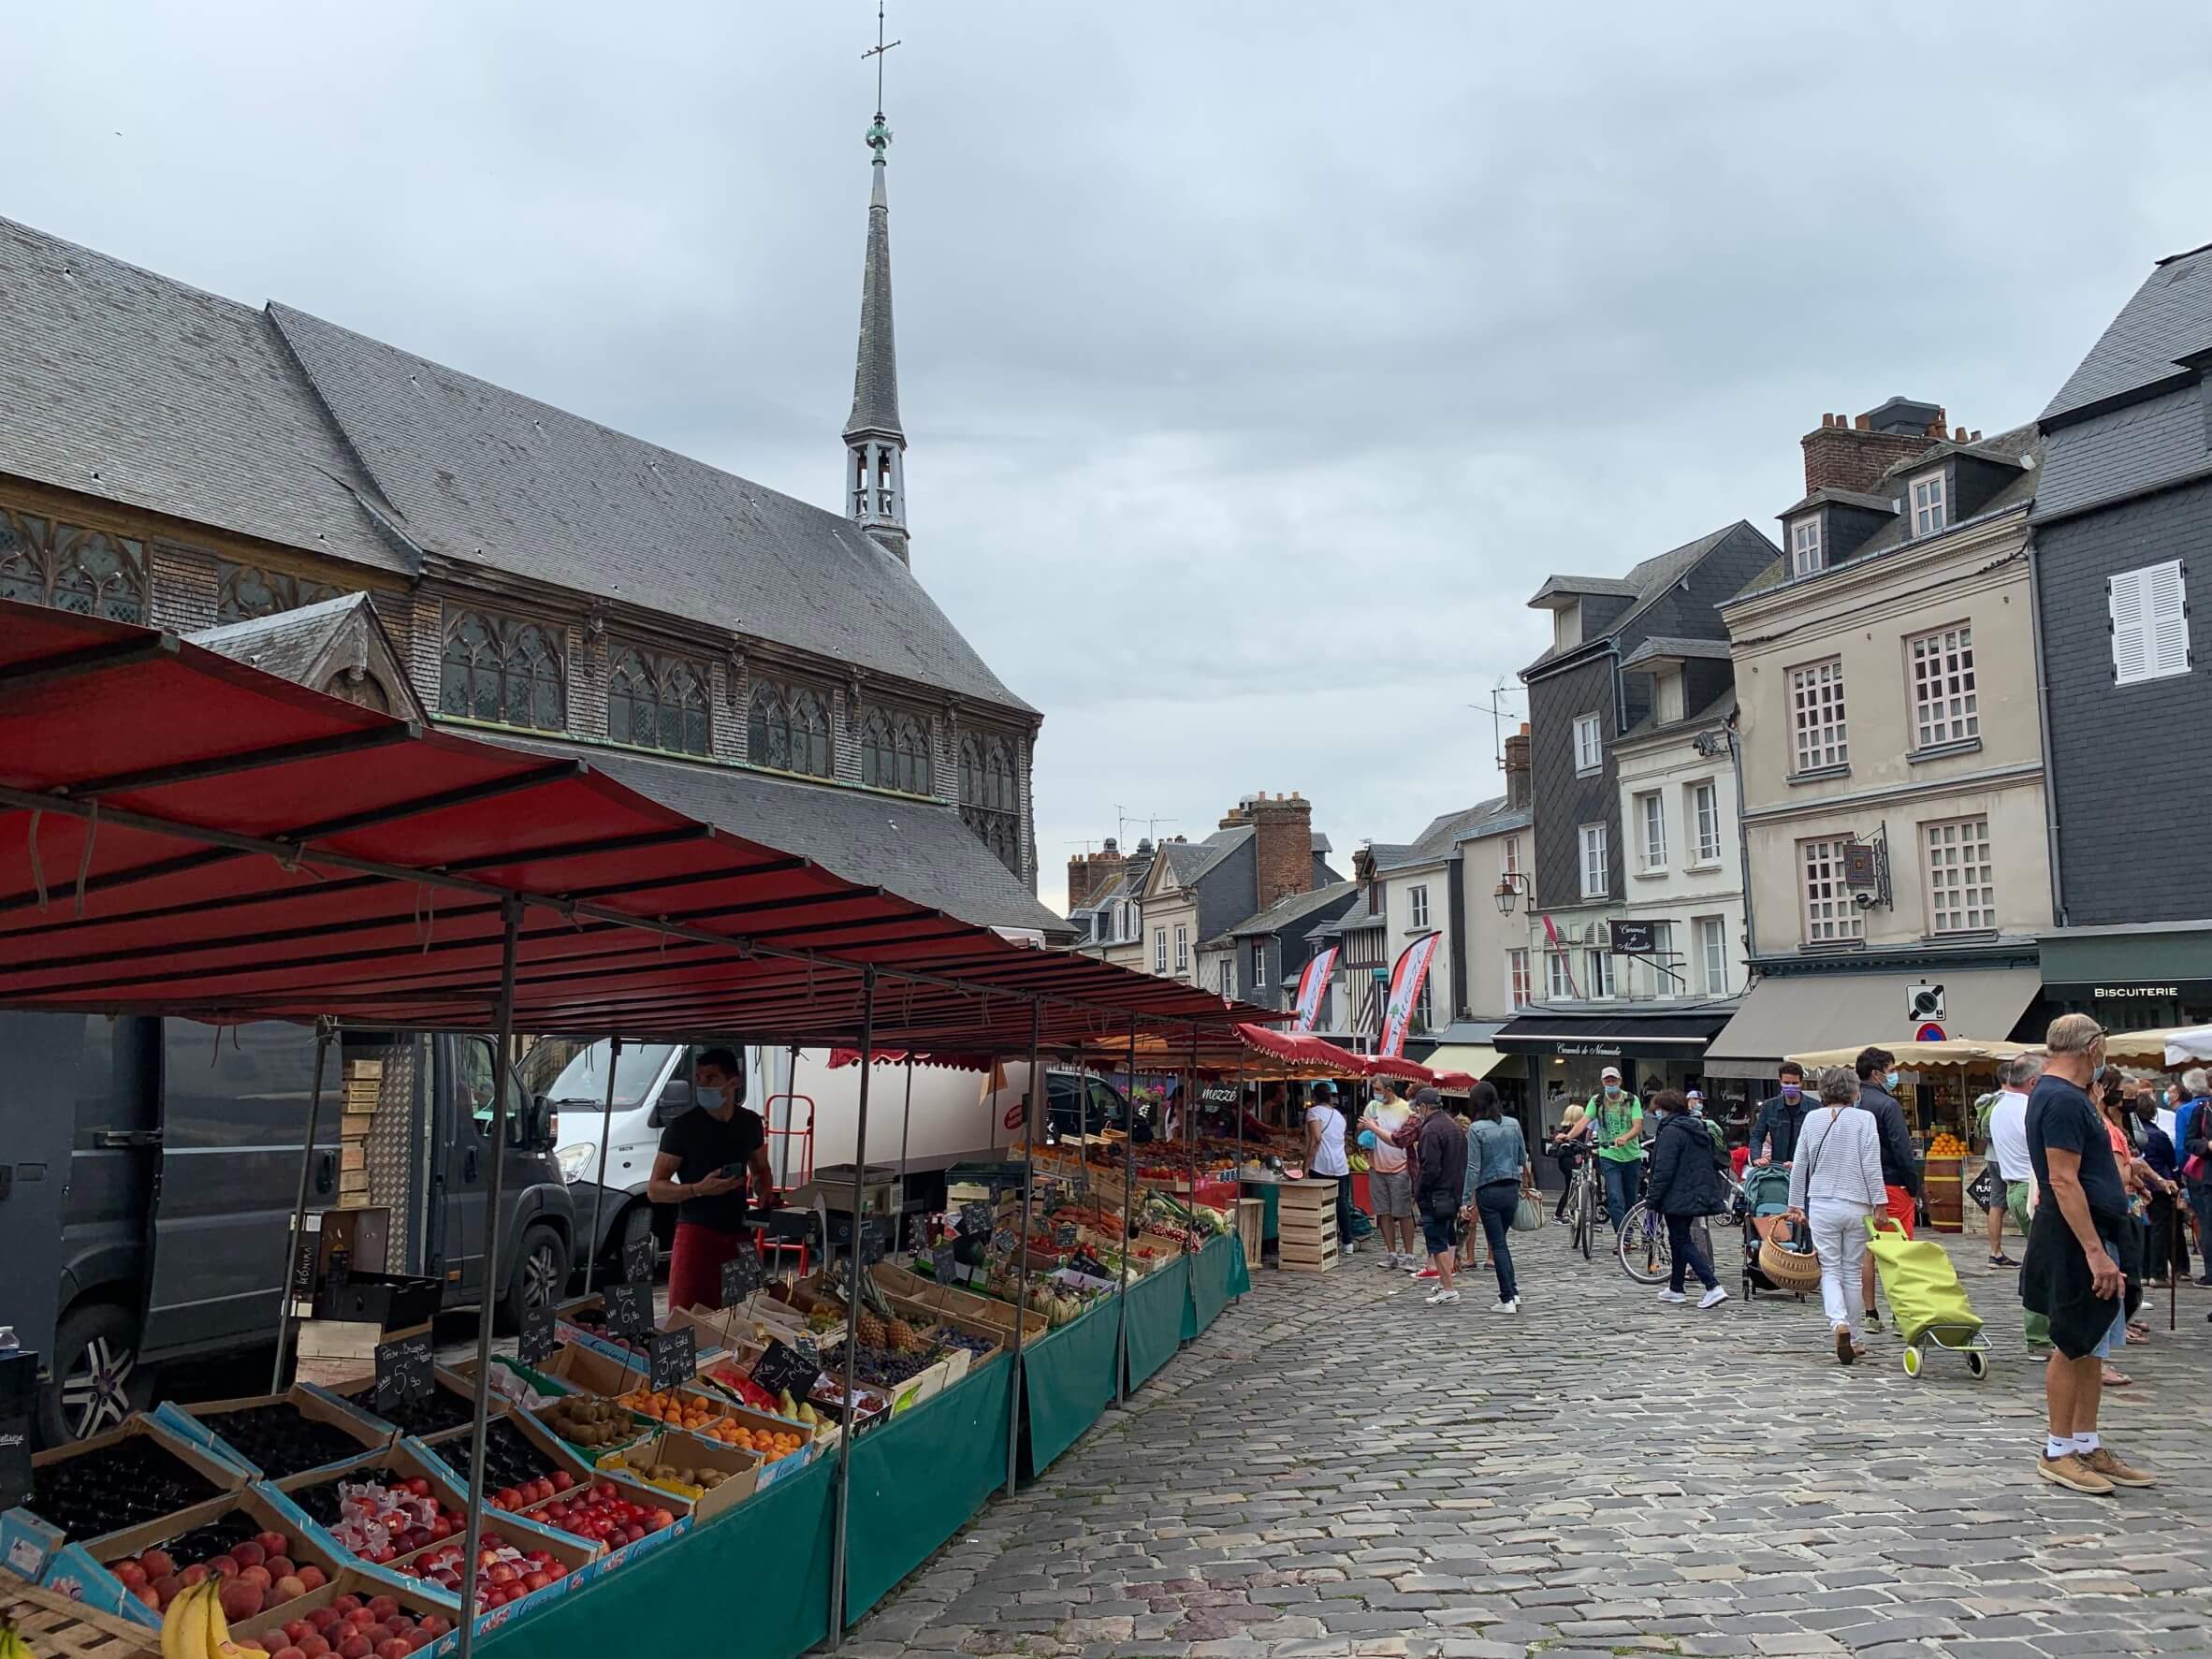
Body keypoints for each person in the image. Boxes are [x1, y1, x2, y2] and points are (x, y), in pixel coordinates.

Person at [2020, 1014, 2154, 1494]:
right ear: (2093, 1046)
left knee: (2093, 1343)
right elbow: (2062, 1178)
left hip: (2096, 1230)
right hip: (2078, 1237)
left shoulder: (2069, 1096)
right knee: (2073, 1339)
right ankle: (2058, 1450)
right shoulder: (2059, 1098)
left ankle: (2084, 1441)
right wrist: (2096, 1253)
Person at [647, 1047, 776, 1311]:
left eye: (711, 1078)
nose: (702, 1085)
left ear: (734, 1082)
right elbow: (655, 1189)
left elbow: (761, 1167)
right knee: (687, 1314)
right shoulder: (682, 1128)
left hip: (739, 1232)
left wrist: (765, 1191)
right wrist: (697, 1189)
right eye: (699, 1078)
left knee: (746, 1312)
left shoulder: (749, 1123)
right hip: (696, 1235)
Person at [1782, 1067, 1885, 1364]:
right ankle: (1853, 1335)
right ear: (1855, 1090)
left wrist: (1795, 1204)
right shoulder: (1865, 1119)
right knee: (1852, 1272)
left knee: (1830, 1269)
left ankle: (1837, 1322)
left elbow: (1800, 1162)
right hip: (1857, 1203)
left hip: (1822, 1203)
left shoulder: (1812, 1119)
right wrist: (1880, 1203)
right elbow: (1871, 1164)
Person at [1852, 1047, 1923, 1330]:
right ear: (1876, 1073)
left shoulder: (1853, 1103)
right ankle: (1899, 1310)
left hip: (1858, 1184)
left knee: (1868, 1249)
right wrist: (1914, 1185)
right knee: (1897, 1249)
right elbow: (1902, 1148)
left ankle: (1870, 1313)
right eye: (1891, 1070)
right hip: (1890, 1181)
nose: (1894, 1075)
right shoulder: (1886, 1105)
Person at [1644, 1088, 1729, 1311]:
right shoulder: (1695, 1127)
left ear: (1666, 1109)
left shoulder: (1671, 1132)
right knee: (1677, 1238)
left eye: (1658, 1110)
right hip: (1694, 1191)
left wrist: (1652, 1199)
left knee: (1682, 1240)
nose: (1656, 1114)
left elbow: (1663, 1169)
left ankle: (1712, 1285)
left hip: (1677, 1193)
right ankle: (1676, 1288)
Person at [1460, 1084, 1533, 1313]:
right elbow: (1523, 1157)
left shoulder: (1476, 1129)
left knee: (1498, 1244)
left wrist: (1465, 1199)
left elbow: (1473, 1167)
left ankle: (1507, 1297)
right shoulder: (1513, 1124)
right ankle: (1513, 1291)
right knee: (1502, 1244)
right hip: (1511, 1187)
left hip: (1488, 1189)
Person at [1409, 1086, 1468, 1305]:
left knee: (1437, 1241)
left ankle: (1449, 1289)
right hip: (1453, 1191)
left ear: (1424, 1107)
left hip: (1436, 1194)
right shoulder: (1454, 1126)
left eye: (1418, 1109)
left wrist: (1420, 1190)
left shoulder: (1431, 1130)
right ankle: (1445, 1283)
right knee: (1448, 1237)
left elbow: (1429, 1168)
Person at [2132, 1087, 2190, 1287]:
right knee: (2159, 1229)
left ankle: (2143, 1270)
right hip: (2159, 1187)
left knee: (2143, 1229)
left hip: (2138, 1186)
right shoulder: (2157, 1135)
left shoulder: (2131, 1134)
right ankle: (2157, 1273)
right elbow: (2172, 1161)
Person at [1986, 1055, 2037, 1272]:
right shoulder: (2029, 1107)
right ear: (2033, 1082)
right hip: (2031, 1185)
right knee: (2050, 1256)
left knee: (2040, 1253)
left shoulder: (1998, 1105)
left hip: (2014, 1185)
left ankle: (1995, 1251)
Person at [1359, 1078, 1417, 1269]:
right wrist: (1365, 1127)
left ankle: (1409, 1255)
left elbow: (1412, 1136)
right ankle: (1391, 1253)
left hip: (1399, 1167)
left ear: (1389, 1090)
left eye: (1378, 1089)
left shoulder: (1405, 1108)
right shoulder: (1373, 1106)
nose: (1375, 1093)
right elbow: (1361, 1127)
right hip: (1377, 1166)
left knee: (1403, 1213)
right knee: (1383, 1212)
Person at [1584, 1066, 1645, 1232]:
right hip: (1609, 1155)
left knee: (1630, 1198)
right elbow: (1585, 1121)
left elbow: (1637, 1126)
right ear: (1602, 1081)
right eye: (1607, 1080)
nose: (1610, 1082)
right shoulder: (1597, 1100)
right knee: (1615, 1197)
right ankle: (1622, 1237)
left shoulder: (1631, 1100)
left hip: (1632, 1156)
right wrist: (1567, 1135)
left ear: (1619, 1081)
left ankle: (1629, 1233)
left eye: (1613, 1079)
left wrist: (1625, 1138)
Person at [1305, 1081, 1354, 1257]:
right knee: (1341, 1202)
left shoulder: (1313, 1112)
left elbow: (1316, 1139)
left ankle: (1324, 1240)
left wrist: (1306, 1165)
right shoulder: (1339, 1116)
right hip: (1341, 1164)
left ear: (1314, 1096)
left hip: (1322, 1164)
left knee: (1321, 1202)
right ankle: (1347, 1242)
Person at [2174, 1068, 2212, 1287]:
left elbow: (2182, 1148)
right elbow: (2188, 1143)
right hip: (2206, 1175)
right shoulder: (2201, 1109)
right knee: (2207, 1223)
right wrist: (2207, 1145)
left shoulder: (2187, 1110)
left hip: (2198, 1176)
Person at [1748, 1063, 1812, 1167]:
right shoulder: (1769, 1106)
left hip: (1804, 1168)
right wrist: (1757, 1158)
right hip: (1778, 1168)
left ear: (1801, 1082)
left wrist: (1802, 1162)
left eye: (1795, 1083)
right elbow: (1757, 1136)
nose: (1790, 1086)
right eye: (1786, 1082)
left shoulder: (1814, 1107)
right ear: (1780, 1082)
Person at [1548, 1102, 1589, 1221]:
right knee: (1572, 1187)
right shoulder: (1577, 1130)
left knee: (1571, 1187)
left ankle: (1568, 1212)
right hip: (1571, 1160)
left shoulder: (1565, 1129)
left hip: (1564, 1161)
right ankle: (1560, 1214)